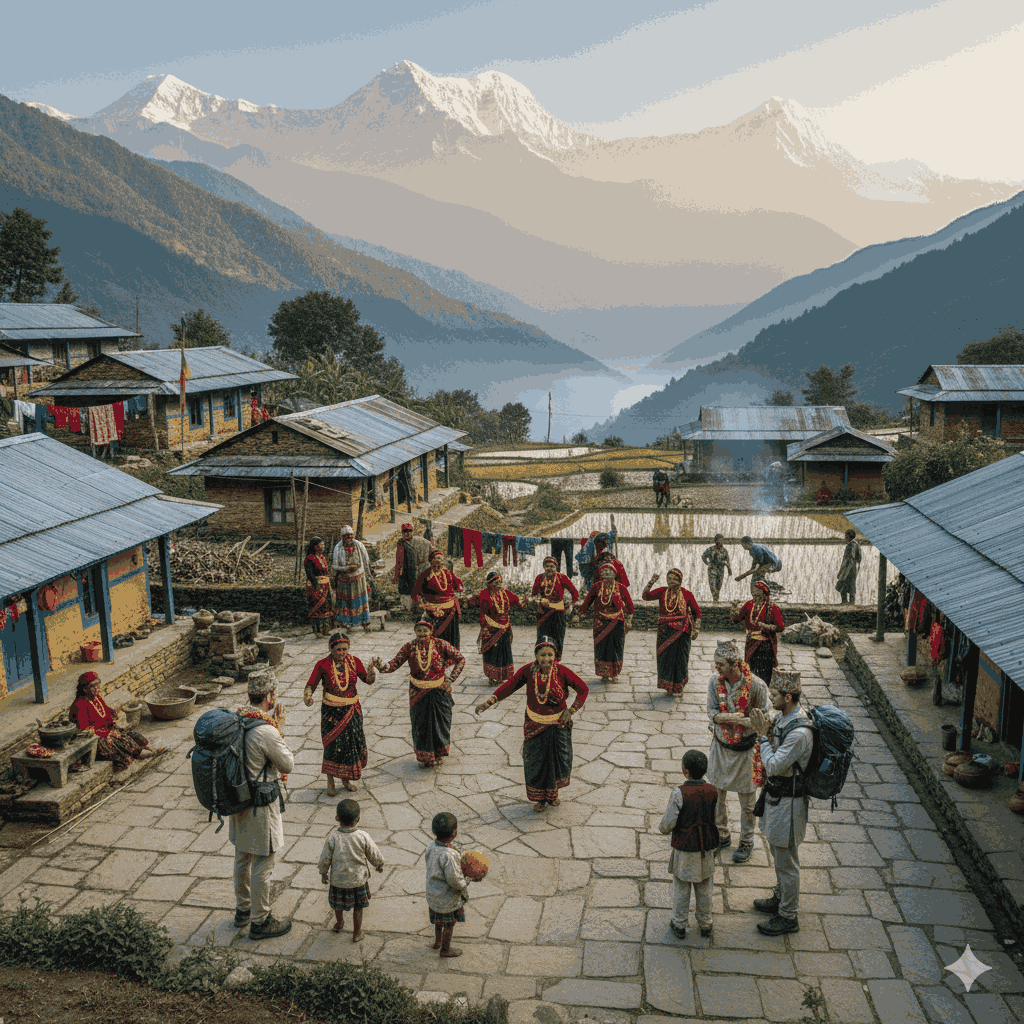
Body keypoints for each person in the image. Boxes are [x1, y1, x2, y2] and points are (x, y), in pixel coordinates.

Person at [475, 637, 588, 810]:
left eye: (550, 655)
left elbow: (583, 689)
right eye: (542, 654)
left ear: (555, 656)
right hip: (534, 725)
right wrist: (489, 702)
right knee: (536, 762)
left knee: (556, 761)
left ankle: (552, 795)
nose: (546, 659)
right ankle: (540, 798)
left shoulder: (562, 671)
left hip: (557, 726)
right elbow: (510, 686)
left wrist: (571, 710)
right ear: (536, 655)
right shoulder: (528, 671)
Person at [230, 670, 295, 940]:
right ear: (270, 695)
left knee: (242, 856)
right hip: (260, 804)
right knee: (263, 863)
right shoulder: (266, 730)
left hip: (238, 799)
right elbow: (287, 764)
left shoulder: (237, 718)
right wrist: (279, 729)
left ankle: (243, 910)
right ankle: (260, 920)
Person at [749, 672, 813, 936]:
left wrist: (762, 737)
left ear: (788, 697)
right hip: (777, 798)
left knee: (787, 862)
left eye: (774, 695)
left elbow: (774, 765)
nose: (770, 698)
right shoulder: (783, 718)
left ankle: (788, 915)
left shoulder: (799, 733)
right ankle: (781, 897)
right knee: (779, 855)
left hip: (789, 804)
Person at [706, 639, 770, 866]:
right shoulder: (714, 682)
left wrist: (743, 722)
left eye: (720, 664)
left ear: (734, 664)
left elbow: (764, 721)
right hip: (721, 747)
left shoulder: (757, 686)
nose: (716, 668)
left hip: (746, 750)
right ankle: (721, 835)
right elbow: (711, 712)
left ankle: (746, 841)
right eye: (716, 664)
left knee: (748, 803)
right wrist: (731, 718)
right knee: (717, 797)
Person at [374, 616, 466, 768]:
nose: (422, 633)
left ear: (431, 631)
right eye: (419, 630)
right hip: (417, 692)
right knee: (420, 725)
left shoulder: (441, 644)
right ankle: (425, 757)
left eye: (425, 630)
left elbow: (460, 659)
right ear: (415, 631)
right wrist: (382, 666)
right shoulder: (409, 647)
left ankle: (439, 754)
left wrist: (451, 679)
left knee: (440, 724)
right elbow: (394, 664)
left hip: (439, 691)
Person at [658, 749, 719, 940]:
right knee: (705, 887)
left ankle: (679, 924)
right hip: (706, 847)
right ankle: (706, 924)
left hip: (685, 848)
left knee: (682, 888)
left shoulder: (679, 793)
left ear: (684, 770)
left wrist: (664, 829)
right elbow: (715, 818)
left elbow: (667, 824)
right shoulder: (713, 791)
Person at [304, 632, 375, 794]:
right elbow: (311, 684)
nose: (342, 653)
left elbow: (368, 680)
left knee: (350, 745)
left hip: (352, 710)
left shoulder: (355, 661)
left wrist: (372, 669)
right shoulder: (322, 665)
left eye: (345, 649)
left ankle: (346, 779)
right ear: (331, 649)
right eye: (339, 650)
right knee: (332, 745)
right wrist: (307, 696)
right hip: (332, 712)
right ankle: (330, 781)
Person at [318, 798, 385, 941]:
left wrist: (323, 873)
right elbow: (373, 854)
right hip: (358, 881)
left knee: (338, 905)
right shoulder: (362, 836)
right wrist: (379, 864)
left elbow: (325, 858)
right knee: (358, 907)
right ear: (358, 819)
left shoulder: (332, 838)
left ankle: (339, 923)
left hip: (338, 881)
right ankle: (357, 933)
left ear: (337, 818)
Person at [69, 671, 164, 770]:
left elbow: (105, 710)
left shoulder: (95, 697)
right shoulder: (79, 705)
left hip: (104, 730)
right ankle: (140, 753)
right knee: (116, 742)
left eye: (98, 684)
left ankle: (143, 749)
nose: (98, 688)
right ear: (85, 689)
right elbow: (85, 730)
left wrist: (113, 714)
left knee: (129, 735)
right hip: (93, 739)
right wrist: (108, 733)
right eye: (93, 686)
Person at [642, 569, 701, 695]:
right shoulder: (662, 591)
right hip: (665, 631)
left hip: (682, 632)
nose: (671, 581)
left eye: (674, 579)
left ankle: (679, 686)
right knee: (665, 659)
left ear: (680, 580)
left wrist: (696, 629)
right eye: (669, 578)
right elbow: (645, 597)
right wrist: (651, 582)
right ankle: (668, 686)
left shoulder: (687, 594)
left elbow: (697, 612)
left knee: (681, 659)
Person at [425, 811, 472, 958]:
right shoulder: (449, 855)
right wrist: (468, 879)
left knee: (438, 921)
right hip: (446, 899)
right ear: (454, 833)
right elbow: (455, 882)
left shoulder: (431, 846)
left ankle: (437, 942)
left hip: (433, 894)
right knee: (449, 924)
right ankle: (445, 950)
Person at [579, 562, 634, 683]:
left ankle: (614, 674)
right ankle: (604, 674)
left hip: (617, 622)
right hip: (600, 622)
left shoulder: (621, 587)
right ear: (600, 574)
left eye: (610, 570)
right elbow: (587, 602)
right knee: (601, 647)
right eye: (604, 570)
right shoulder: (596, 587)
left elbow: (629, 604)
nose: (607, 572)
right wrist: (579, 614)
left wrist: (629, 620)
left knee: (616, 648)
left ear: (615, 573)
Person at [467, 570, 523, 684]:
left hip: (504, 626)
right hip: (491, 626)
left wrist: (521, 603)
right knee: (492, 651)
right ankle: (491, 677)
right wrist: (484, 627)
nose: (498, 584)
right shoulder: (484, 594)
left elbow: (516, 600)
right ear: (489, 583)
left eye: (499, 582)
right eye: (495, 582)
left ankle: (502, 676)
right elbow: (482, 611)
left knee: (504, 651)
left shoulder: (505, 592)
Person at [730, 581, 785, 687]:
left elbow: (780, 627)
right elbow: (737, 619)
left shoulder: (773, 608)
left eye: (757, 591)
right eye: (754, 592)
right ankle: (752, 690)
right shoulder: (749, 605)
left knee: (765, 672)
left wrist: (766, 626)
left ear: (764, 594)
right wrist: (734, 607)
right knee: (751, 670)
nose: (755, 594)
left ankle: (764, 690)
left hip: (766, 645)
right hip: (751, 643)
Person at [411, 548, 465, 649]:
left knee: (450, 635)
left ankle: (451, 653)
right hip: (433, 609)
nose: (438, 565)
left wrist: (459, 586)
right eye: (436, 562)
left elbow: (458, 583)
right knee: (436, 635)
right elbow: (415, 592)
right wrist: (420, 603)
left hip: (450, 609)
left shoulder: (447, 573)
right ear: (431, 562)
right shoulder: (425, 574)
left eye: (440, 562)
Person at [531, 556, 579, 658]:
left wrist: (570, 604)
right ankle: (542, 659)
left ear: (556, 567)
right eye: (547, 566)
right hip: (543, 612)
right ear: (544, 567)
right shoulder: (539, 578)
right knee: (543, 637)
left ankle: (556, 659)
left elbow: (575, 593)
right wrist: (539, 600)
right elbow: (534, 594)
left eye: (552, 566)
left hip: (558, 612)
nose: (549, 568)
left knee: (558, 636)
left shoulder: (562, 577)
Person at [332, 525, 373, 633]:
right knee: (346, 603)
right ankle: (346, 623)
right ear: (342, 537)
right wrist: (346, 568)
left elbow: (366, 561)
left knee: (360, 601)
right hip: (344, 580)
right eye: (347, 536)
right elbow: (335, 566)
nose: (349, 538)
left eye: (351, 535)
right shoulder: (338, 548)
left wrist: (368, 576)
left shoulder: (359, 545)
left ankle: (365, 622)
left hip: (358, 579)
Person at [393, 523, 432, 614]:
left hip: (418, 571)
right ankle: (419, 611)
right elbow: (399, 560)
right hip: (416, 571)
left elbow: (399, 561)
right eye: (405, 531)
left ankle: (417, 611)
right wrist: (397, 574)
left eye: (409, 531)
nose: (407, 533)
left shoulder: (419, 542)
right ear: (402, 532)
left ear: (412, 532)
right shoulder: (403, 543)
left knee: (415, 591)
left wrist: (396, 576)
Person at [304, 536, 334, 636]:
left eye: (323, 545)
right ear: (315, 546)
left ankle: (325, 629)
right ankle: (317, 631)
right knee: (316, 608)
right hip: (315, 587)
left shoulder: (322, 558)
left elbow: (327, 572)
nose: (323, 547)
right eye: (321, 545)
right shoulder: (309, 559)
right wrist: (316, 586)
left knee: (326, 608)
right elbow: (310, 574)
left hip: (325, 586)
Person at [701, 534, 732, 602]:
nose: (720, 542)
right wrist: (707, 563)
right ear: (715, 541)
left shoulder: (724, 551)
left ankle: (716, 601)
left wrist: (729, 569)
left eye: (721, 540)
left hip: (720, 572)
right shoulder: (711, 549)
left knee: (718, 589)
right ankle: (715, 601)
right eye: (718, 540)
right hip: (712, 571)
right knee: (713, 588)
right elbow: (703, 556)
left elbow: (727, 561)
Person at [836, 529, 861, 604]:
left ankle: (847, 602)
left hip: (849, 568)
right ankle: (850, 602)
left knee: (844, 584)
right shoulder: (855, 544)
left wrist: (844, 571)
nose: (845, 537)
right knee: (850, 585)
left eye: (846, 536)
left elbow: (850, 558)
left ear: (849, 536)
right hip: (852, 567)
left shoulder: (852, 545)